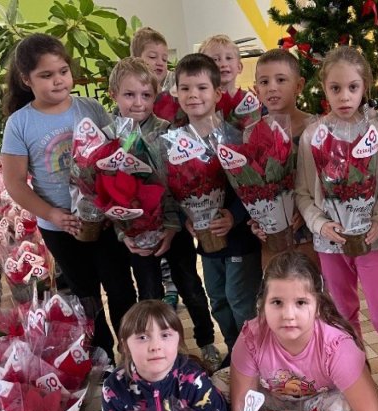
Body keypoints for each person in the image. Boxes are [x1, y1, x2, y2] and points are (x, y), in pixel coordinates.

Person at [1, 33, 136, 362]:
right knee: (85, 294)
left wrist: (116, 205)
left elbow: (115, 157)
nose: (58, 80)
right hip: (61, 228)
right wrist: (53, 214)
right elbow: (15, 183)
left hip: (104, 222)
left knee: (121, 288)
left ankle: (132, 352)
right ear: (26, 79)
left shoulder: (90, 108)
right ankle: (103, 356)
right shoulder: (20, 123)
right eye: (46, 75)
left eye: (63, 71)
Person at [295, 46, 378, 411]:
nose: (344, 96)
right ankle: (360, 392)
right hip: (330, 245)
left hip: (368, 242)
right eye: (335, 88)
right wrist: (321, 225)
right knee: (342, 316)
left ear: (365, 86)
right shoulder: (313, 136)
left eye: (353, 87)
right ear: (324, 89)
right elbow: (304, 193)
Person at [230, 251, 378, 411]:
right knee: (219, 386)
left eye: (301, 302)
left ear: (318, 305)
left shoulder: (336, 346)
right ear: (262, 304)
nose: (288, 315)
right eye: (277, 302)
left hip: (319, 410)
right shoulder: (251, 337)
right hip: (275, 405)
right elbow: (240, 406)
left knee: (349, 408)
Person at [108, 56, 221, 369]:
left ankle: (206, 341)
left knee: (191, 287)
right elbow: (106, 192)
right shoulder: (109, 136)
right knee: (150, 294)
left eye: (146, 95)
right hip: (136, 235)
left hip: (175, 230)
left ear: (156, 95)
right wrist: (124, 234)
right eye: (129, 95)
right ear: (113, 94)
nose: (138, 103)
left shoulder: (168, 132)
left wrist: (171, 227)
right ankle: (159, 351)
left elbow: (178, 185)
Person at [174, 53, 262, 367]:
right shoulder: (175, 143)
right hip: (207, 243)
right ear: (176, 93)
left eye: (201, 88)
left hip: (239, 240)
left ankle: (253, 358)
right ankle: (235, 354)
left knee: (241, 300)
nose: (193, 95)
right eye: (185, 88)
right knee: (219, 300)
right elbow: (175, 188)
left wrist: (234, 216)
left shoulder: (235, 136)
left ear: (217, 93)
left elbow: (253, 187)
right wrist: (187, 217)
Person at [101, 300, 234, 411]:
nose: (155, 346)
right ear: (125, 346)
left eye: (165, 335)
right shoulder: (115, 387)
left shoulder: (194, 380)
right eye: (142, 337)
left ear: (178, 340)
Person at [250, 48, 318, 267]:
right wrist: (256, 218)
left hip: (310, 233)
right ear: (256, 90)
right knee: (275, 284)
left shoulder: (317, 128)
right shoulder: (252, 133)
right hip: (272, 237)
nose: (272, 87)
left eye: (281, 80)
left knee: (312, 285)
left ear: (298, 85)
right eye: (264, 82)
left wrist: (307, 211)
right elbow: (250, 185)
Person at [199, 34, 260, 129]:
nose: (223, 64)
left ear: (239, 67)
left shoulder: (248, 100)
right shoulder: (200, 100)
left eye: (228, 58)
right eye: (215, 59)